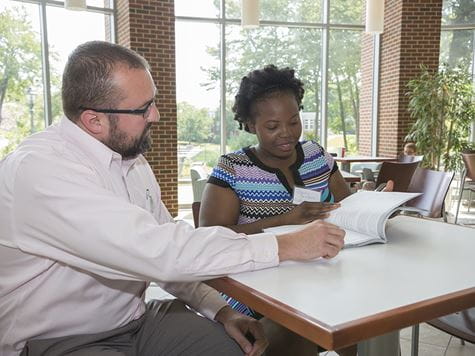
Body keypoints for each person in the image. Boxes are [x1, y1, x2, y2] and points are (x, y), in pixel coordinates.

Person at [0, 41, 347, 356]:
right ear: (93, 120)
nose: (156, 116)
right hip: (57, 338)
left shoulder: (131, 161)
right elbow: (157, 252)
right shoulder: (40, 171)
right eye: (143, 109)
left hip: (136, 319)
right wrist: (285, 246)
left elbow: (168, 245)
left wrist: (222, 310)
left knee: (236, 349)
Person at [199, 65, 359, 356]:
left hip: (321, 273)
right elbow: (210, 237)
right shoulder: (233, 168)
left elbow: (345, 206)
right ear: (250, 124)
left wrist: (373, 205)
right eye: (272, 126)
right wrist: (283, 220)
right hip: (255, 287)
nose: (287, 134)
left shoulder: (316, 156)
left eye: (294, 121)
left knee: (348, 323)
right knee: (299, 329)